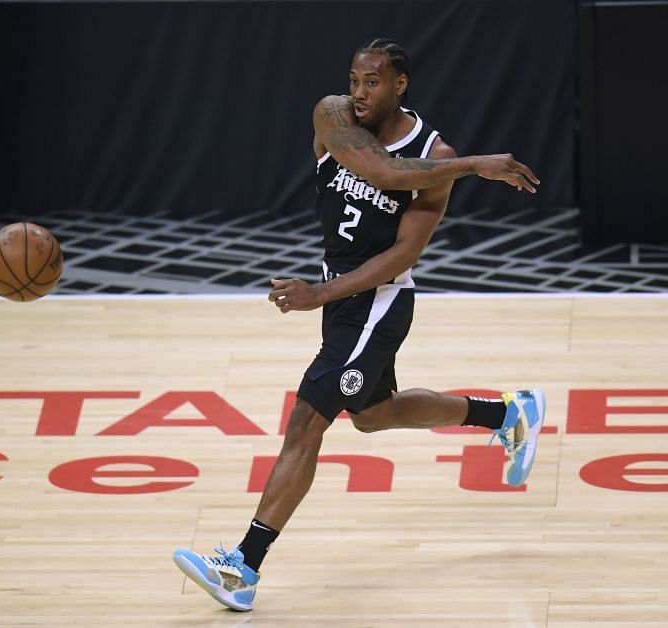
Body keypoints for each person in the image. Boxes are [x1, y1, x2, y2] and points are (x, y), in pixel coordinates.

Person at [173, 37, 546, 612]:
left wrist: (319, 293)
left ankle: (242, 566)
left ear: (400, 85)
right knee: (374, 416)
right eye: (354, 78)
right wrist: (476, 165)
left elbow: (401, 258)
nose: (359, 91)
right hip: (343, 298)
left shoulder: (434, 153)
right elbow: (382, 171)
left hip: (379, 302)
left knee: (306, 421)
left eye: (372, 82)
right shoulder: (333, 115)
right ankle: (508, 413)